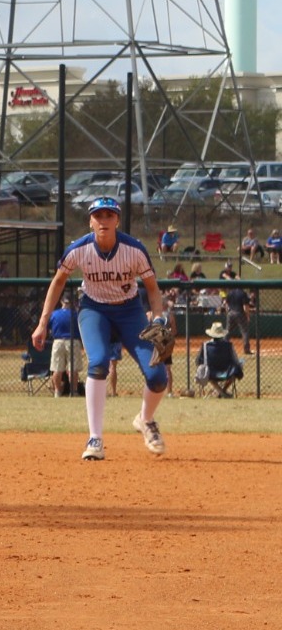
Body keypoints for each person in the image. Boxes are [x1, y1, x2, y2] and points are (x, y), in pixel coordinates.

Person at [31, 196, 172, 461]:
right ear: (90, 221)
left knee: (158, 375)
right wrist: (42, 324)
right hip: (94, 309)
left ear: (117, 220)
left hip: (130, 310)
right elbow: (58, 282)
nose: (103, 221)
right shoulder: (79, 249)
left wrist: (158, 319)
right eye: (98, 216)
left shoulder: (134, 249)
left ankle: (146, 420)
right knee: (98, 362)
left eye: (109, 215)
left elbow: (152, 289)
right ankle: (95, 438)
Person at [47, 291, 81, 397]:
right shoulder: (76, 314)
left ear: (62, 301)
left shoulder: (54, 314)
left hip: (58, 341)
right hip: (73, 341)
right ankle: (73, 391)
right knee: (73, 368)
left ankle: (57, 391)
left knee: (57, 368)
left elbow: (49, 329)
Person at [197, 321, 244, 395]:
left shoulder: (205, 346)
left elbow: (198, 361)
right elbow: (235, 359)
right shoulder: (228, 345)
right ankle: (223, 391)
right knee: (239, 366)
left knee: (203, 369)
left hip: (210, 372)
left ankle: (219, 391)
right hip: (227, 372)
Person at [221, 266, 254, 349]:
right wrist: (247, 316)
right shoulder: (243, 293)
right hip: (240, 313)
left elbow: (225, 303)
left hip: (231, 313)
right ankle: (246, 349)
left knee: (227, 331)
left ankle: (223, 346)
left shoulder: (230, 292)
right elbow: (245, 307)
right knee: (245, 331)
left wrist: (227, 311)